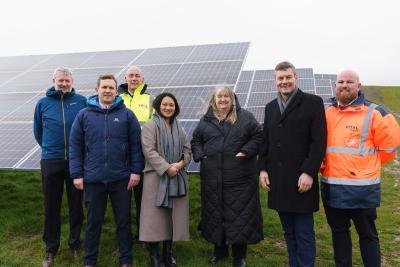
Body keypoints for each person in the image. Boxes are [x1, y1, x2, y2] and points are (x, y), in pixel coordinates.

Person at [321, 70, 400, 267]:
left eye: (349, 82)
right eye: (340, 82)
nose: (344, 85)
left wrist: (367, 165)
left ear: (359, 86)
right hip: (332, 187)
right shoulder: (327, 113)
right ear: (335, 86)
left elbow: (391, 147)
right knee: (339, 234)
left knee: (367, 234)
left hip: (363, 189)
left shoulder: (375, 112)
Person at [69, 74, 144, 267]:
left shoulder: (127, 115)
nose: (108, 91)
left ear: (115, 90)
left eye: (111, 88)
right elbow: (75, 146)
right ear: (97, 90)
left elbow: (136, 145)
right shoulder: (84, 115)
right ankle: (89, 260)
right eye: (104, 87)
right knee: (93, 223)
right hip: (93, 179)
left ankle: (126, 259)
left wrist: (136, 171)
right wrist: (77, 174)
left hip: (121, 178)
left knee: (123, 221)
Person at [258, 61, 327, 267]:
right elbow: (266, 141)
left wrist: (308, 172)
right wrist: (262, 169)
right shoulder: (270, 107)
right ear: (275, 81)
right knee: (288, 231)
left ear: (296, 77)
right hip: (278, 180)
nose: (284, 82)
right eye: (280, 78)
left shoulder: (313, 102)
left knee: (304, 232)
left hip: (300, 179)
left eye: (288, 77)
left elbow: (319, 141)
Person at [191, 86, 264, 267]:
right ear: (214, 100)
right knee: (216, 215)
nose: (223, 99)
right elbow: (196, 141)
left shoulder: (245, 117)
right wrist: (200, 155)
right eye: (219, 96)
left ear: (232, 99)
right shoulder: (205, 121)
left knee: (240, 216)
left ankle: (239, 256)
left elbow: (259, 135)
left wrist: (246, 151)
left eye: (226, 96)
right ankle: (220, 251)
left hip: (240, 178)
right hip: (212, 178)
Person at [33, 66, 86, 267]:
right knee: (51, 206)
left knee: (76, 205)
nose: (64, 84)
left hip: (76, 161)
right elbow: (38, 131)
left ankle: (75, 244)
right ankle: (51, 247)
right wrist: (50, 148)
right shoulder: (43, 103)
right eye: (60, 80)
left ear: (72, 82)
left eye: (67, 81)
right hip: (50, 161)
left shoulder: (81, 101)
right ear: (53, 81)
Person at [140, 93, 191, 267]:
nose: (168, 107)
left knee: (172, 217)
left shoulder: (180, 128)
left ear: (175, 107)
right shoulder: (150, 126)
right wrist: (166, 168)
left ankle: (168, 254)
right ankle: (154, 256)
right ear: (157, 106)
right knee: (155, 218)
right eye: (164, 104)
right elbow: (149, 151)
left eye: (171, 105)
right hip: (156, 177)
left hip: (176, 177)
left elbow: (187, 150)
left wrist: (180, 164)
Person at [118, 66, 153, 241]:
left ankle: (143, 237)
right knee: (122, 201)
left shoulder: (150, 100)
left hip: (144, 157)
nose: (133, 78)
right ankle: (124, 239)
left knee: (143, 200)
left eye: (137, 76)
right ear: (125, 78)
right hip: (121, 157)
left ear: (142, 79)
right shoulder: (117, 98)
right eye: (130, 76)